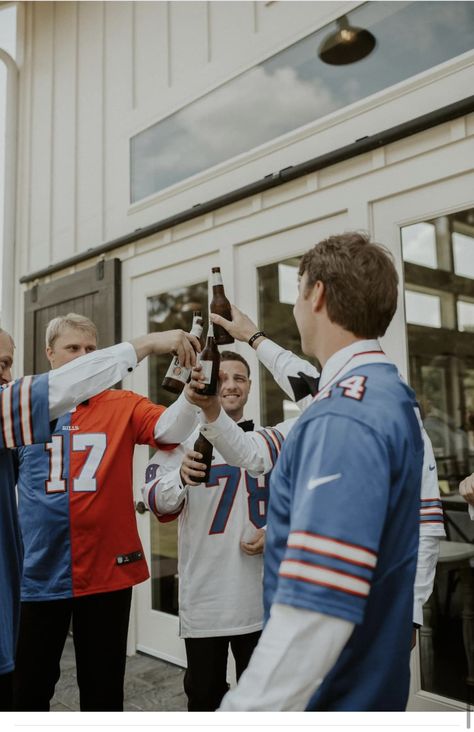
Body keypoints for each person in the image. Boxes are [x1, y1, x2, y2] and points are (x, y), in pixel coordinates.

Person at [210, 232, 435, 711]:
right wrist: (251, 340)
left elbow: (314, 609)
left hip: (335, 691)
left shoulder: (343, 417)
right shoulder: (385, 391)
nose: (294, 307)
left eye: (297, 292)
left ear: (317, 294)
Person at [0, 323, 199, 711]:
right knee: (28, 689)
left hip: (105, 570)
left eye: (92, 347)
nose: (85, 356)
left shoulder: (121, 403)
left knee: (104, 689)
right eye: (73, 348)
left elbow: (170, 429)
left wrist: (192, 398)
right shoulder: (24, 404)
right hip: (38, 570)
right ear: (50, 354)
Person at [142, 351, 272, 711]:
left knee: (261, 700)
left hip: (259, 594)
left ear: (249, 387)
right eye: (223, 377)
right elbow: (155, 501)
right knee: (203, 697)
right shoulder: (179, 442)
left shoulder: (265, 441)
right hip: (206, 595)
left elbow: (295, 502)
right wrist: (180, 477)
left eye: (240, 378)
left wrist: (278, 529)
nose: (230, 385)